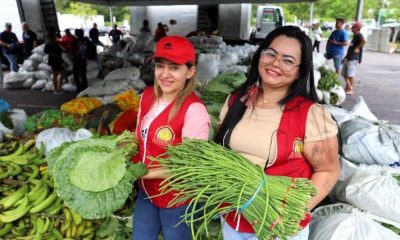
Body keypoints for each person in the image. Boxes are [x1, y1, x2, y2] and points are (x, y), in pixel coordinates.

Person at [215, 26, 340, 240]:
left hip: (280, 228)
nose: (275, 63)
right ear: (260, 55)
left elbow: (328, 171)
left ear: (300, 70)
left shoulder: (311, 115)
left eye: (288, 60)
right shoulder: (237, 101)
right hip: (233, 220)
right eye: (270, 53)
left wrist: (292, 212)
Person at [131, 35, 210, 240]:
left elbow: (188, 168)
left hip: (176, 199)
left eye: (174, 67)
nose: (165, 74)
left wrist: (140, 172)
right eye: (160, 66)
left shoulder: (194, 110)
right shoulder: (147, 96)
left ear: (190, 71)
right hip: (146, 193)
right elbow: (138, 136)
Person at [341, 22, 366, 95]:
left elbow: (364, 41)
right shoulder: (355, 36)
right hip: (349, 57)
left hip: (353, 58)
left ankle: (350, 88)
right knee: (344, 73)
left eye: (353, 27)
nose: (352, 28)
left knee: (350, 74)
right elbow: (351, 48)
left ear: (357, 28)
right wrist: (345, 57)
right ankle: (348, 87)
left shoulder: (359, 35)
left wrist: (357, 47)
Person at [44, 27, 64, 94]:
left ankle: (57, 89)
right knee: (60, 73)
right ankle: (57, 89)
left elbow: (46, 51)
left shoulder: (51, 41)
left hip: (54, 60)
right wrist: (54, 54)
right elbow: (46, 50)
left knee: (56, 74)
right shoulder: (52, 42)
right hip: (56, 60)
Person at [72, 28, 89, 93]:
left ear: (76, 34)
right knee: (83, 75)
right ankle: (85, 87)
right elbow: (90, 48)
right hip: (84, 60)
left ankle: (79, 89)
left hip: (77, 61)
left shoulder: (75, 41)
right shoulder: (86, 40)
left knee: (76, 76)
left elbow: (72, 51)